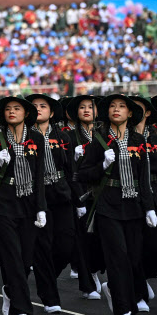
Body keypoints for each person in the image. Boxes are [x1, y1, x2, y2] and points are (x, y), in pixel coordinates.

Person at [78, 94, 155, 315]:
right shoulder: (98, 140)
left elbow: (144, 179)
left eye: (122, 106)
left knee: (132, 257)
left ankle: (113, 288)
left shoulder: (139, 140)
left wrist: (149, 207)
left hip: (133, 204)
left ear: (130, 114)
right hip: (107, 204)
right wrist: (101, 166)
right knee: (117, 258)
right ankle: (124, 310)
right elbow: (82, 174)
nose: (117, 109)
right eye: (112, 106)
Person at [0, 96, 46, 315]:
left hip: (28, 204)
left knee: (26, 260)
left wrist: (41, 208)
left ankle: (10, 290)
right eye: (7, 109)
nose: (11, 112)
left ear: (26, 114)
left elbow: (39, 176)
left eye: (16, 108)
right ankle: (22, 311)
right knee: (11, 256)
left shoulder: (37, 139)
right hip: (3, 204)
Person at [26, 94, 78, 314]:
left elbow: (71, 169)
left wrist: (76, 197)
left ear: (52, 112)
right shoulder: (24, 136)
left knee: (66, 245)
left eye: (43, 106)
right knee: (43, 246)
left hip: (61, 192)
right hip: (36, 195)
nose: (38, 109)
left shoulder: (63, 136)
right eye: (34, 106)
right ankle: (49, 297)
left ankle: (46, 275)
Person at [65, 95, 104, 300]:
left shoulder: (104, 134)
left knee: (101, 238)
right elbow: (65, 169)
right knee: (82, 239)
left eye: (91, 107)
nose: (87, 110)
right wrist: (73, 156)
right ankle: (87, 283)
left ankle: (95, 269)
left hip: (103, 193)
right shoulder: (70, 137)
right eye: (82, 107)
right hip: (80, 193)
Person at [130, 96, 157, 298]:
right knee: (134, 248)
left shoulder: (156, 138)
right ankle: (139, 288)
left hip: (154, 195)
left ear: (148, 112)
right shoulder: (120, 137)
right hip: (128, 197)